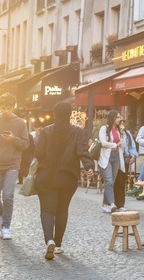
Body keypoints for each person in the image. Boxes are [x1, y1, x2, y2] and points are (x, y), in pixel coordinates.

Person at [35, 101, 95, 259]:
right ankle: (59, 244)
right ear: (69, 114)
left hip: (47, 176)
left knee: (47, 210)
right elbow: (83, 151)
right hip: (68, 177)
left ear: (54, 114)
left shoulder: (46, 131)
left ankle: (49, 241)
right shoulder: (78, 132)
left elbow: (39, 153)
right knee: (62, 210)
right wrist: (89, 167)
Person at [0, 93, 30, 239]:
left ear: (14, 107)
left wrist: (13, 139)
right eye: (3, 108)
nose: (6, 111)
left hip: (12, 164)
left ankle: (6, 226)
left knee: (8, 195)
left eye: (8, 108)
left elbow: (25, 144)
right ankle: (1, 216)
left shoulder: (20, 123)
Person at [97, 110, 126, 213]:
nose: (119, 119)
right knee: (108, 181)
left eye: (119, 117)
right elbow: (103, 142)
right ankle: (112, 204)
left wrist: (122, 134)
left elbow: (123, 144)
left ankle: (104, 204)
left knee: (111, 182)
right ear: (112, 118)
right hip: (106, 157)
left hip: (116, 157)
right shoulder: (104, 128)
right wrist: (115, 145)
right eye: (117, 117)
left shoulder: (118, 130)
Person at [113, 120, 138, 210]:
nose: (122, 125)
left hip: (125, 158)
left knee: (122, 181)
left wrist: (133, 155)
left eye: (123, 123)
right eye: (120, 124)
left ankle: (120, 204)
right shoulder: (114, 132)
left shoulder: (127, 134)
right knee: (116, 181)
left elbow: (132, 146)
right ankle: (113, 203)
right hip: (115, 158)